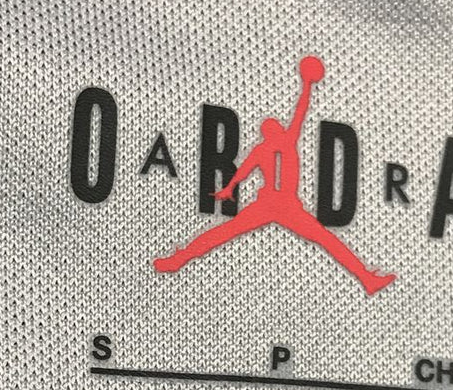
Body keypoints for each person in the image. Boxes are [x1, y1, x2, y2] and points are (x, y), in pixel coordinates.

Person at [154, 56, 396, 296]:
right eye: (274, 128)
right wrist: (307, 86)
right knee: (325, 240)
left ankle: (179, 259)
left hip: (277, 204)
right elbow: (298, 114)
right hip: (280, 205)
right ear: (273, 131)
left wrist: (229, 188)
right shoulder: (283, 143)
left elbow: (243, 170)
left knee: (225, 233)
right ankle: (366, 277)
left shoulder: (268, 147)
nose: (277, 129)